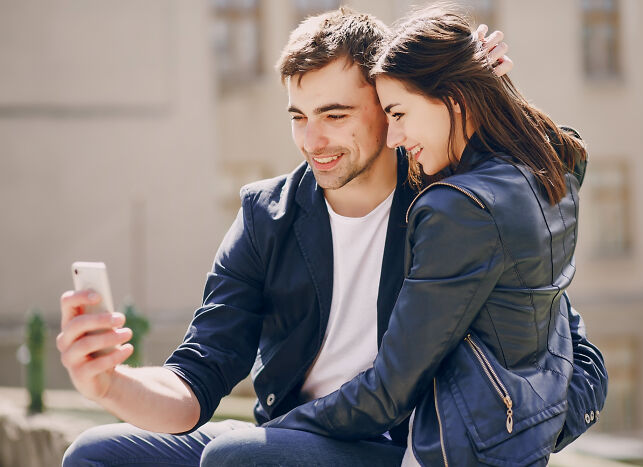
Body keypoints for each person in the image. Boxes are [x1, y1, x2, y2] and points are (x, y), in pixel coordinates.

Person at [58, 8, 605, 467]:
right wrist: (110, 385)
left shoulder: (450, 205)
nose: (311, 140)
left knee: (239, 456)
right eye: (298, 116)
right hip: (290, 437)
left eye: (335, 114)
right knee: (97, 453)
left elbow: (547, 307)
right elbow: (197, 377)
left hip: (397, 446)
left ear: (388, 106)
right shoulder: (266, 216)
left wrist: (482, 89)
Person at [258, 5, 603, 466]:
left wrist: (272, 434)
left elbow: (387, 392)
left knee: (232, 456)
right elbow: (563, 333)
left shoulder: (460, 209)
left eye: (399, 113)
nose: (394, 137)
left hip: (443, 453)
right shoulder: (550, 171)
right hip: (506, 445)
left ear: (456, 100)